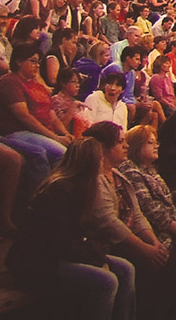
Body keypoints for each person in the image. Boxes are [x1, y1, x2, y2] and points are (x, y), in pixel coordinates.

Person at [9, 137, 138, 320]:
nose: (102, 162)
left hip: (65, 253)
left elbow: (80, 236)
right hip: (40, 259)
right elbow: (62, 240)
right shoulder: (59, 188)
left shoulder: (84, 187)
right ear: (89, 161)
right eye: (100, 159)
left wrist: (98, 258)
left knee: (126, 268)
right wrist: (97, 261)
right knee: (107, 281)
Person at [118, 124, 176, 318]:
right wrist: (170, 225)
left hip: (163, 226)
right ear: (137, 147)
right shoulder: (131, 172)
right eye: (150, 143)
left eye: (156, 142)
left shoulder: (150, 170)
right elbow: (146, 206)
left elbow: (168, 203)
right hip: (147, 229)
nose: (156, 146)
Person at [0, 42, 72, 183]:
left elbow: (52, 116)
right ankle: (42, 194)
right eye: (33, 61)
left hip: (41, 132)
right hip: (19, 132)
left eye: (38, 62)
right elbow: (24, 116)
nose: (37, 66)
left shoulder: (38, 86)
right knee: (62, 154)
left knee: (76, 151)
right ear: (19, 61)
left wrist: (65, 134)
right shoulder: (10, 82)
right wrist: (55, 138)